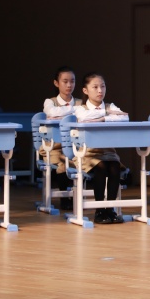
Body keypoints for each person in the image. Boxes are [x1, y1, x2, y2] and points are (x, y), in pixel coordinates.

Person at [72, 72, 128, 224]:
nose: (100, 90)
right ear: (85, 90)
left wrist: (103, 118)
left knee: (115, 167)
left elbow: (124, 117)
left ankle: (110, 209)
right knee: (101, 167)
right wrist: (107, 114)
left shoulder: (111, 106)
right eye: (95, 87)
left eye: (102, 86)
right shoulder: (80, 108)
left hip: (109, 151)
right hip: (87, 153)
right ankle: (99, 210)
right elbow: (84, 118)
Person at [41, 66, 82, 210]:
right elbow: (51, 113)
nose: (69, 85)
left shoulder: (81, 102)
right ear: (56, 83)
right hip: (54, 146)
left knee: (82, 159)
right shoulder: (50, 101)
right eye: (65, 81)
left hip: (76, 146)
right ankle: (65, 198)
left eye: (72, 81)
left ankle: (78, 196)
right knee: (62, 163)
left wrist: (64, 113)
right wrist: (75, 112)